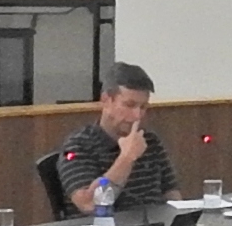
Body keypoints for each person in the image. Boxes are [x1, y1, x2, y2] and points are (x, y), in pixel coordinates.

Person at [52, 62, 178, 215]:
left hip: (154, 225)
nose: (137, 115)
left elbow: (172, 194)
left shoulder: (150, 140)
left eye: (143, 107)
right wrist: (127, 158)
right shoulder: (78, 146)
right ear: (106, 100)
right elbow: (89, 204)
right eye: (129, 105)